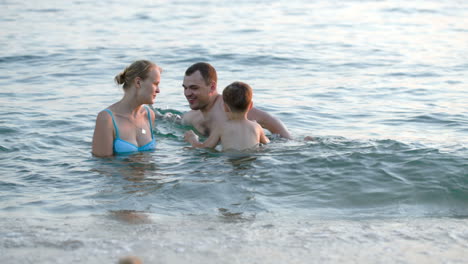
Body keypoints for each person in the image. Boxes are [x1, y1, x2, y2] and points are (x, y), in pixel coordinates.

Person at [181, 62, 292, 139]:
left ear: (212, 87)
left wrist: (290, 141)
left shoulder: (231, 108)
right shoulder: (190, 118)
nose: (187, 93)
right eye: (185, 88)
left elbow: (269, 120)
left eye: (194, 88)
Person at [92, 60, 161, 157]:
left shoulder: (149, 115)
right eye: (155, 84)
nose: (158, 90)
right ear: (138, 82)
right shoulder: (107, 119)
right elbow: (102, 166)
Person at [184, 81, 270, 151]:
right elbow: (267, 143)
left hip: (230, 162)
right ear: (250, 106)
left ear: (225, 107)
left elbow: (204, 148)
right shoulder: (256, 127)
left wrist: (193, 139)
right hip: (251, 160)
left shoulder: (222, 127)